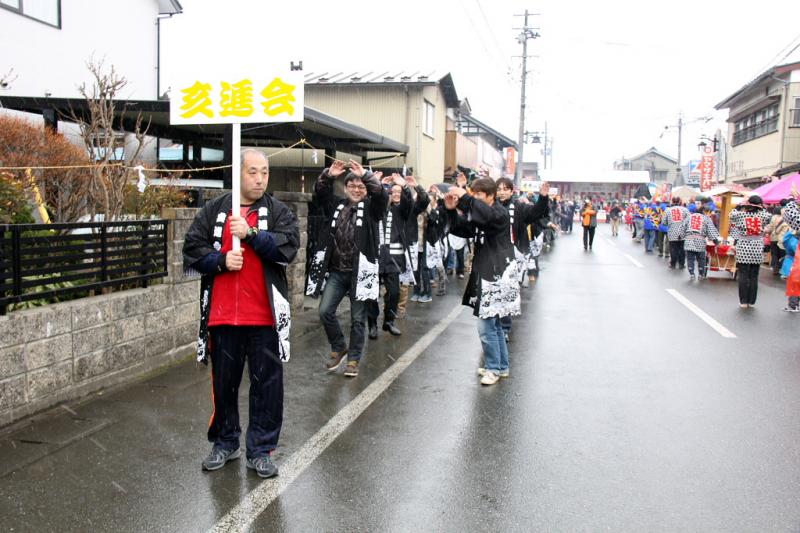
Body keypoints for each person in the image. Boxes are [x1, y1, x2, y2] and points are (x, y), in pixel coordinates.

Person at [183, 149, 300, 479]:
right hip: (222, 316)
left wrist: (251, 235)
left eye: (264, 171)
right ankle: (225, 441)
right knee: (224, 386)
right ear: (238, 174)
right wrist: (221, 261)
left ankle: (261, 450)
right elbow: (191, 250)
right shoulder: (214, 210)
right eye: (253, 171)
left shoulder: (278, 211)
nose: (260, 178)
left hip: (263, 316)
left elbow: (288, 246)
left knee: (267, 387)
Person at [307, 159, 388, 377]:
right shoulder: (337, 205)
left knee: (357, 319)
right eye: (352, 186)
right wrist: (328, 175)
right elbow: (320, 194)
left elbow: (381, 196)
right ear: (345, 188)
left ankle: (353, 360)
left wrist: (367, 176)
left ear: (366, 190)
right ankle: (338, 346)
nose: (356, 190)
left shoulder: (373, 209)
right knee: (325, 311)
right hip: (336, 271)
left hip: (360, 273)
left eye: (361, 187)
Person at [444, 178, 519, 386]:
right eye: (474, 194)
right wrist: (451, 209)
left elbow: (483, 214)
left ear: (490, 196)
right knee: (494, 324)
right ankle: (501, 366)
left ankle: (493, 368)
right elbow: (462, 229)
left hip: (497, 275)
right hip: (488, 273)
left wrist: (464, 197)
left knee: (486, 326)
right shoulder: (483, 214)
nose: (475, 198)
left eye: (478, 195)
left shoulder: (499, 213)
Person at [367, 174, 414, 337]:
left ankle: (389, 321)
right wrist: (373, 182)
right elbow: (368, 198)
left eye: (390, 194)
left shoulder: (399, 211)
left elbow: (409, 204)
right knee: (372, 294)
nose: (388, 196)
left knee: (394, 292)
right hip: (374, 258)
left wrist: (405, 187)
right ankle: (372, 324)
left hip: (393, 260)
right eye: (385, 193)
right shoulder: (372, 211)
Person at [729, 194, 773, 308]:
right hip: (757, 246)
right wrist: (760, 207)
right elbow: (769, 216)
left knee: (743, 274)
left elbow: (732, 214)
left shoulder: (740, 214)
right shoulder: (763, 215)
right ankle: (751, 301)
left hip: (743, 246)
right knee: (754, 275)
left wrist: (741, 204)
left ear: (748, 204)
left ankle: (743, 301)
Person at [679, 205, 720, 281]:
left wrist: (681, 236)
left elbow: (682, 228)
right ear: (704, 211)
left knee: (690, 258)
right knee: (701, 259)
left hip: (689, 241)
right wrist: (716, 241)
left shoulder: (689, 217)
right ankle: (701, 274)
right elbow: (711, 231)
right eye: (708, 212)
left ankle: (691, 273)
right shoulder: (706, 219)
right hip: (700, 242)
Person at [664, 197, 688, 269]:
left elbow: (664, 222)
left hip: (672, 232)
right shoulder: (685, 210)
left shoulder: (668, 210)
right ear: (680, 202)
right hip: (682, 232)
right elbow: (689, 220)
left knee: (673, 249)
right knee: (682, 249)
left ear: (672, 201)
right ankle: (681, 264)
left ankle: (673, 264)